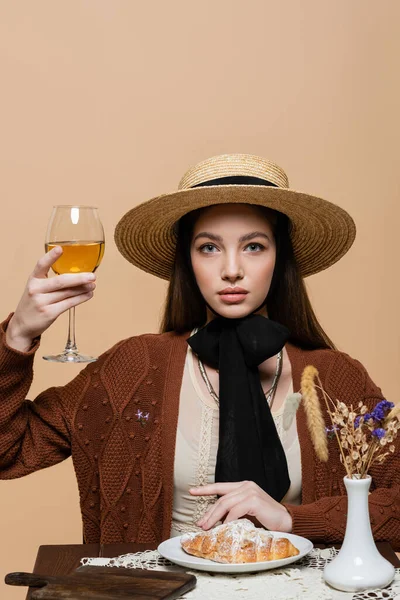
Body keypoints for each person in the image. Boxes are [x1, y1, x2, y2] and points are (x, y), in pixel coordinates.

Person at [0, 153, 399, 549]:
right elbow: (8, 451)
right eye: (209, 248)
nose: (231, 268)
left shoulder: (335, 378)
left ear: (280, 259)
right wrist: (17, 337)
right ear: (187, 261)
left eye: (254, 246)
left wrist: (293, 518)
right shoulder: (133, 367)